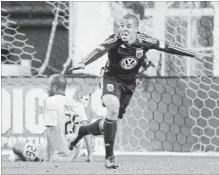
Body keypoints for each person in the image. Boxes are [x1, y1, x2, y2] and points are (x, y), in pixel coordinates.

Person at [69, 14, 203, 169]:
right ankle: (109, 158)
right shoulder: (114, 40)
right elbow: (99, 50)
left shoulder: (145, 41)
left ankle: (83, 130)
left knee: (108, 123)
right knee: (112, 109)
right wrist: (83, 63)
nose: (124, 29)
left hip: (129, 85)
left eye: (128, 26)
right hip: (110, 79)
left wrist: (192, 54)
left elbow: (168, 47)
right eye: (122, 26)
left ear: (136, 29)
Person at [8, 74, 93, 162]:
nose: (46, 88)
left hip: (56, 155)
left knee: (17, 146)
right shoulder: (78, 105)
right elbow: (86, 130)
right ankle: (26, 158)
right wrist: (90, 155)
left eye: (48, 86)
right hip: (72, 155)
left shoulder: (50, 101)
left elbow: (51, 130)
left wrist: (49, 157)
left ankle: (38, 157)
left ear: (54, 88)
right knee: (15, 157)